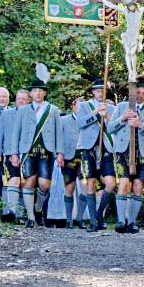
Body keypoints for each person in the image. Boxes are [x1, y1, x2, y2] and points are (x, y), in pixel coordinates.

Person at [106, 76, 144, 234]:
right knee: (123, 184)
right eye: (138, 92)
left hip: (142, 153)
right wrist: (122, 118)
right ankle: (121, 221)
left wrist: (141, 125)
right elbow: (109, 128)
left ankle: (132, 222)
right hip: (123, 151)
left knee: (138, 186)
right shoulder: (122, 107)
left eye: (143, 93)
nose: (140, 95)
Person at [8, 78, 64, 228]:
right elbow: (16, 133)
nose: (37, 93)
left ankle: (38, 208)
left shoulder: (53, 110)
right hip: (28, 150)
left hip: (47, 150)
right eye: (34, 91)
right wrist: (14, 153)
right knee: (29, 182)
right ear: (30, 93)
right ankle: (31, 217)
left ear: (45, 93)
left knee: (45, 185)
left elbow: (59, 133)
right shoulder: (23, 110)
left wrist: (60, 152)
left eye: (40, 90)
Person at [75, 79, 116, 232]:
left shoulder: (112, 108)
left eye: (102, 90)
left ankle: (99, 215)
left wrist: (107, 116)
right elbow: (80, 123)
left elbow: (115, 127)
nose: (100, 93)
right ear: (93, 92)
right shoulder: (85, 106)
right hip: (88, 148)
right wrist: (95, 112)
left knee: (111, 184)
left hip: (106, 149)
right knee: (90, 183)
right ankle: (93, 220)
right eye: (97, 90)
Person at [0, 89, 30, 223]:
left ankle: (28, 214)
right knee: (14, 181)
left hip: (29, 153)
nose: (21, 101)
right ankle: (13, 213)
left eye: (24, 99)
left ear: (29, 101)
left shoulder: (33, 114)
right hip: (10, 153)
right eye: (18, 98)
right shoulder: (7, 114)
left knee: (27, 183)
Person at [59, 98, 83, 228]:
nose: (81, 109)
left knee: (86, 188)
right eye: (79, 106)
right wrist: (59, 154)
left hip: (85, 157)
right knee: (70, 187)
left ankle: (80, 218)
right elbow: (58, 139)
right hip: (69, 157)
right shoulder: (64, 120)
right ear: (73, 106)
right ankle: (69, 219)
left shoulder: (90, 120)